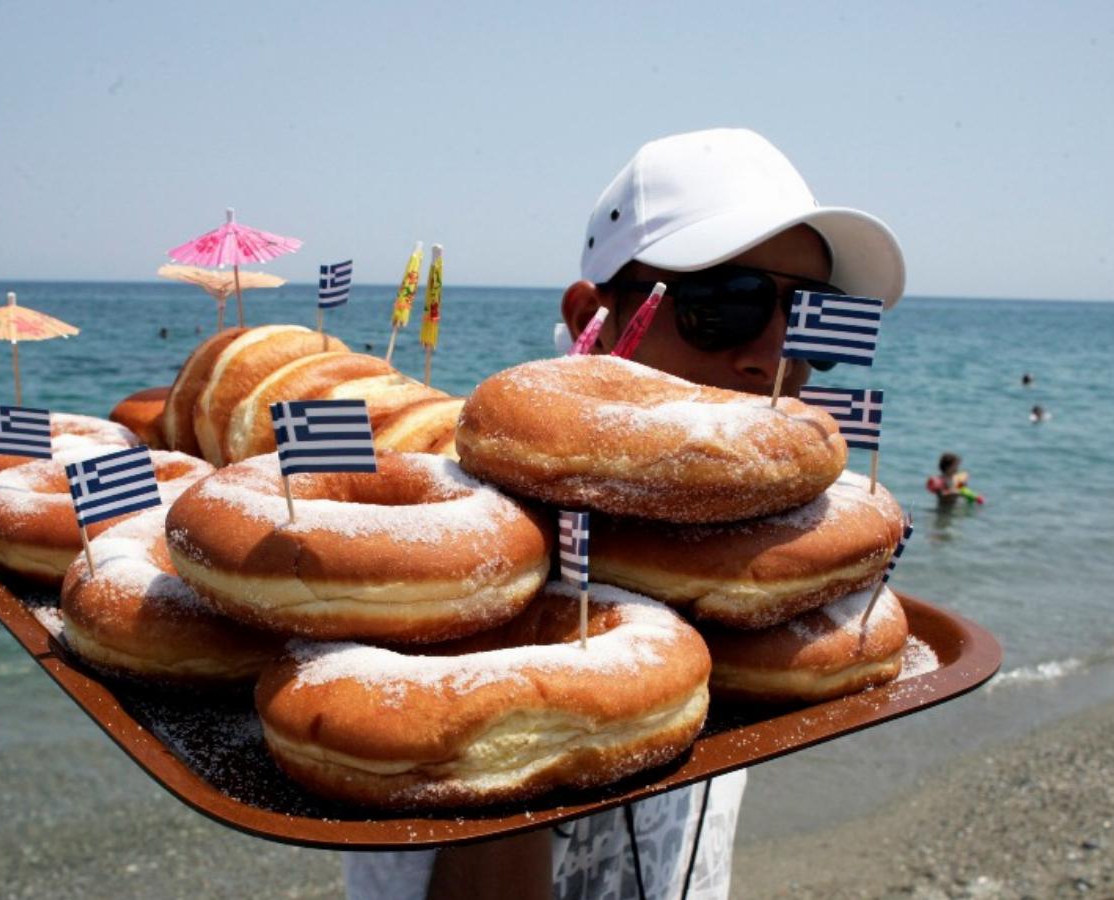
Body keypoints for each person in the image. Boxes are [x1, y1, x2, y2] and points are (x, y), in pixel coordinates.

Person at [345, 127, 906, 900]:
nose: (777, 352)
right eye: (728, 303)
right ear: (594, 312)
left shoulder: (757, 569)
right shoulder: (466, 562)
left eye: (811, 311)